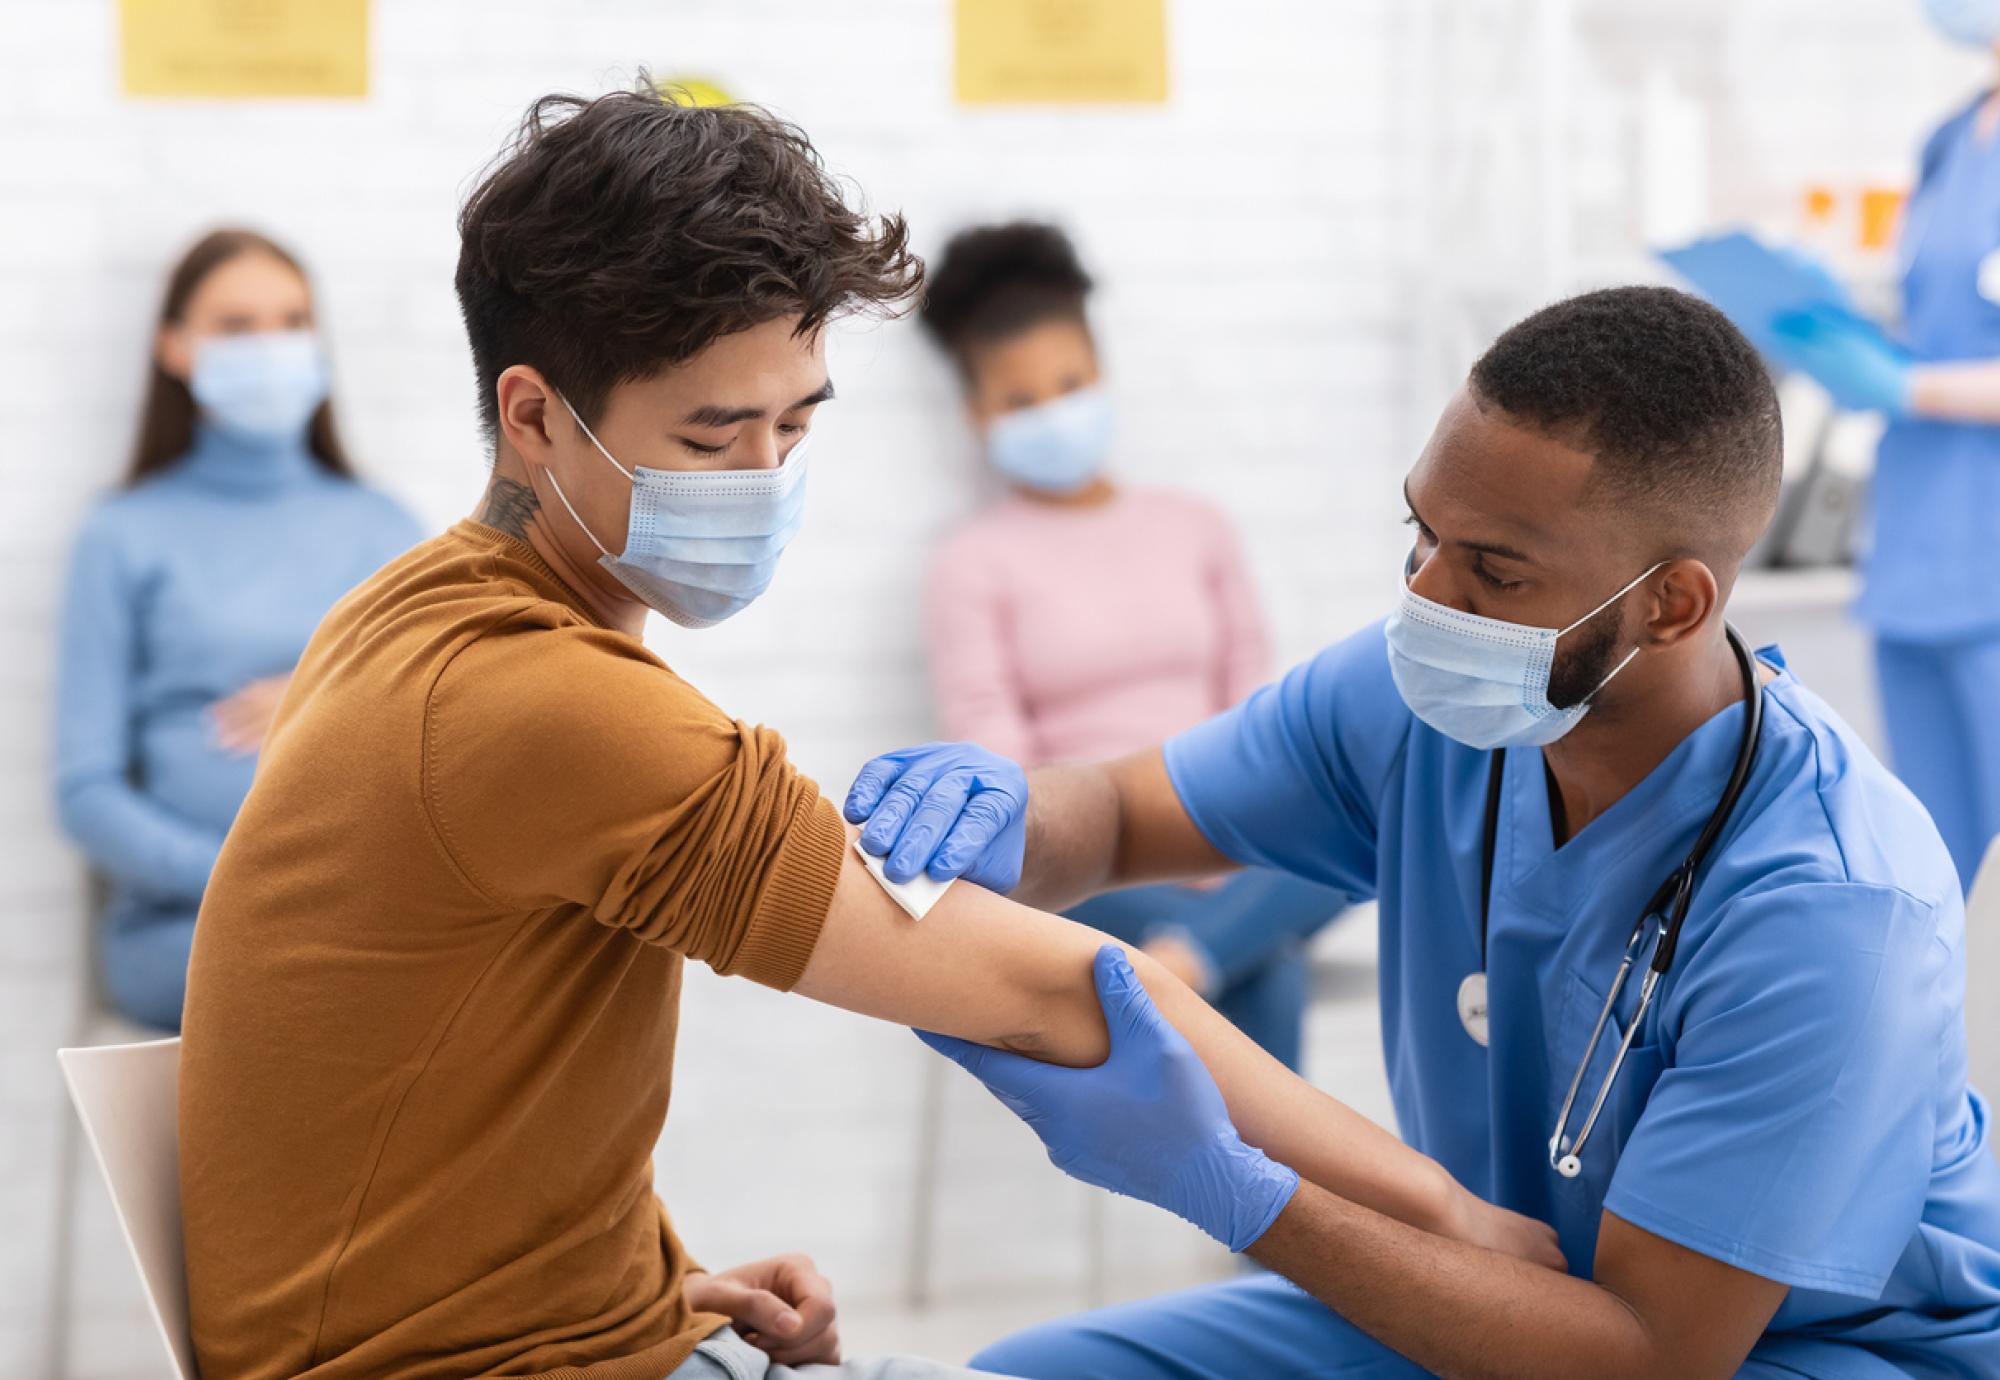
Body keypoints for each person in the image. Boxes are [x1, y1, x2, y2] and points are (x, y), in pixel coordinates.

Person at [175, 84, 1561, 1380]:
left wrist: (651, 1281)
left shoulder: (408, 612)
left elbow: (424, 1076)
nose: (766, 482)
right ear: (535, 416)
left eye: (796, 425)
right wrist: (1452, 1216)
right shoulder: (545, 705)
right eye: (714, 442)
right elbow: (1069, 993)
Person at [851, 287, 2000, 1377]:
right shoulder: (1421, 704)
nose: (1425, 597)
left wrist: (1239, 1193)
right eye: (1422, 534)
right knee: (1018, 1374)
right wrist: (1008, 817)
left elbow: (1646, 1357)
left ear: (1672, 603)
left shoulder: (1832, 910)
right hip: (1503, 1297)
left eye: (1493, 571)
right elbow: (1114, 817)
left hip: (1797, 1352)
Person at [913, 221, 1348, 1069]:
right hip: (1083, 865)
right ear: (978, 415)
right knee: (1271, 966)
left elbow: (1254, 710)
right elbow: (998, 762)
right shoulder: (970, 563)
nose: (1053, 413)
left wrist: (1218, 838)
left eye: (1070, 384)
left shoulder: (1196, 526)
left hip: (1227, 824)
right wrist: (1135, 847)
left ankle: (1181, 968)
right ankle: (1218, 972)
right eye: (1020, 400)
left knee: (1358, 827)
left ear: (1103, 375)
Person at [52, 228, 420, 1032]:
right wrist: (238, 877)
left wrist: (324, 691)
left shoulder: (388, 531)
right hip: (184, 926)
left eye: (292, 321)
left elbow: (446, 735)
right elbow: (86, 791)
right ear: (175, 349)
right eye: (236, 326)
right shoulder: (123, 534)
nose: (272, 347)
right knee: (322, 988)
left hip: (364, 909)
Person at [1760, 0, 2000, 894]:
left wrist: (1906, 387)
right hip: (1919, 542)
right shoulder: (1948, 141)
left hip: (1988, 544)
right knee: (1937, 858)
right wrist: (1838, 338)